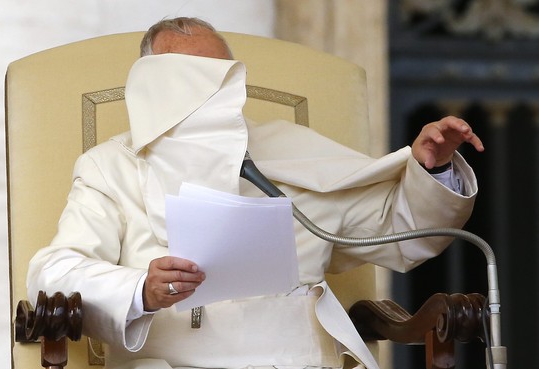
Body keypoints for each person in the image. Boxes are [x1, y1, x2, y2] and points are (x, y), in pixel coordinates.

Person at [27, 17, 484, 369]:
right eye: (190, 78)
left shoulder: (289, 150)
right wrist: (140, 290)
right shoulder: (111, 167)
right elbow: (54, 271)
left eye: (218, 76)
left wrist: (433, 169)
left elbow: (403, 231)